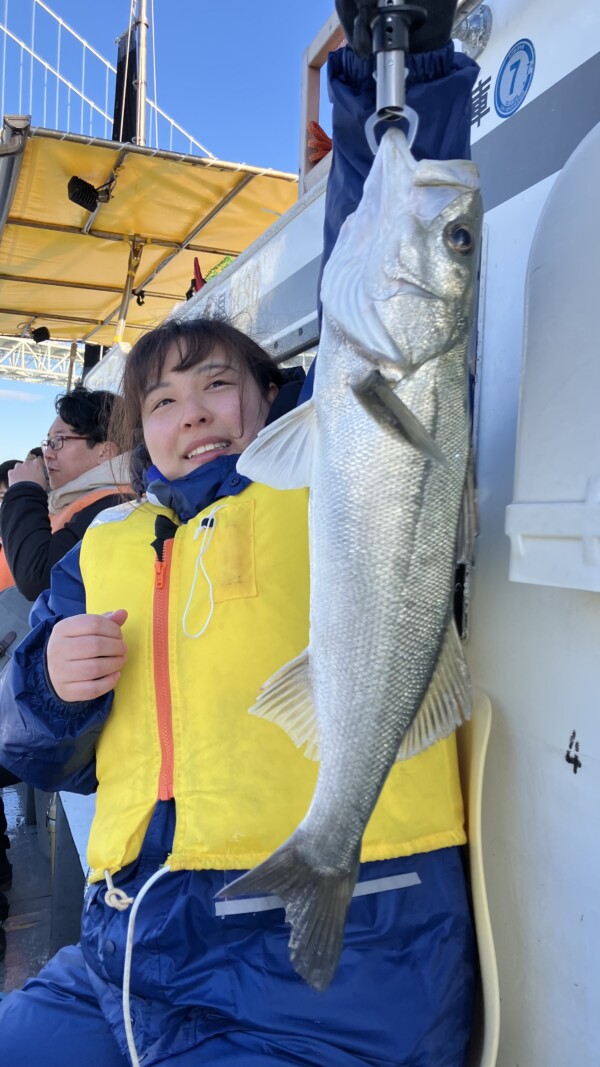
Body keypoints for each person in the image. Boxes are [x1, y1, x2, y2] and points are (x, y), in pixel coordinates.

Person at [0, 4, 479, 1063]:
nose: (193, 414)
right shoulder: (102, 548)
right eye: (161, 404)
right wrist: (47, 687)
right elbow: (37, 752)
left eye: (220, 383)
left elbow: (393, 236)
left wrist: (391, 71)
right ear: (138, 435)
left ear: (278, 399)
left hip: (342, 962)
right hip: (126, 955)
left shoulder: (334, 462)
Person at [0, 386, 131, 602]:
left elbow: (39, 578)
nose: (47, 454)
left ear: (105, 452)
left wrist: (23, 491)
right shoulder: (75, 502)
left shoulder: (115, 508)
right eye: (48, 442)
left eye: (58, 441)